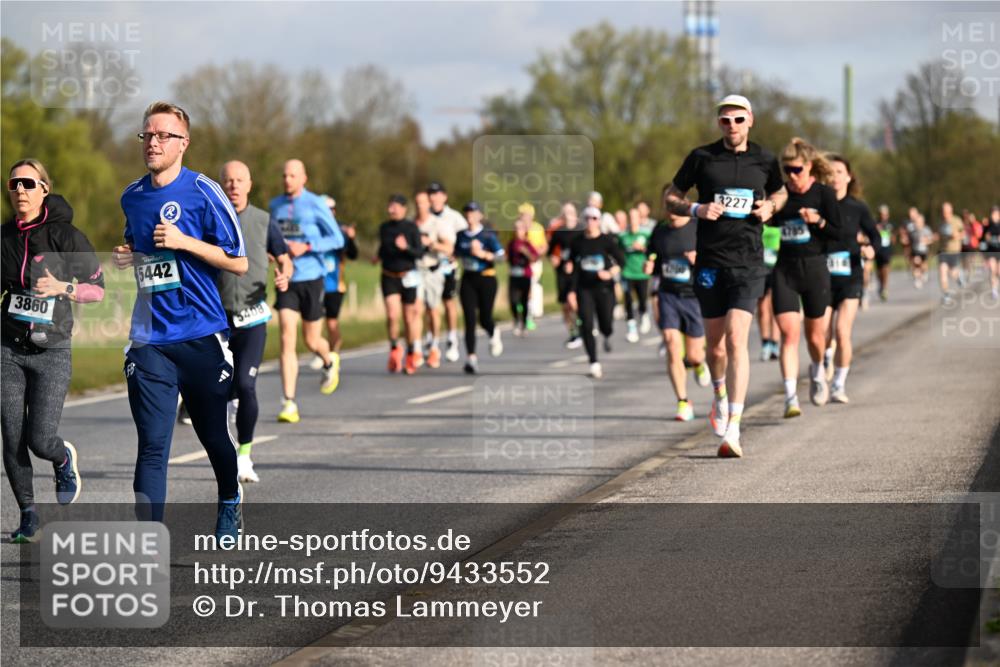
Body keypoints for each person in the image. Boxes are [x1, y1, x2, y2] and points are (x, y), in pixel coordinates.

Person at [112, 101, 247, 538]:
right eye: (147, 135)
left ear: (183, 143)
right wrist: (127, 255)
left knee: (213, 436)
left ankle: (229, 499)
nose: (152, 142)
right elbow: (140, 248)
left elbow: (239, 261)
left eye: (162, 135)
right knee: (152, 445)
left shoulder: (204, 191)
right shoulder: (131, 196)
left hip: (201, 334)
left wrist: (186, 241)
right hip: (149, 337)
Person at [663, 94, 787, 458]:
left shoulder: (764, 159)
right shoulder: (702, 158)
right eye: (724, 120)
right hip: (710, 263)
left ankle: (733, 427)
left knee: (736, 340)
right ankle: (719, 392)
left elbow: (779, 192)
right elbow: (671, 197)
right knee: (714, 347)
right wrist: (697, 208)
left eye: (737, 119)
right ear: (718, 123)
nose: (731, 126)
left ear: (750, 120)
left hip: (748, 262)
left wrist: (771, 206)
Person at [2, 159, 104, 542]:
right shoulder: (4, 238)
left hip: (53, 350)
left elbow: (98, 288)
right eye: (14, 184)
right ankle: (28, 514)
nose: (21, 190)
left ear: (44, 188)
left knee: (39, 439)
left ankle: (62, 458)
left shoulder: (66, 236)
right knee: (11, 438)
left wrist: (65, 288)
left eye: (29, 183)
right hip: (8, 349)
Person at [214, 160, 292, 483]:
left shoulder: (264, 220)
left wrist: (285, 276)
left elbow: (285, 259)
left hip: (252, 317)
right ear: (221, 185)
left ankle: (244, 458)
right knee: (215, 389)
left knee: (246, 385)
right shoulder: (209, 219)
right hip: (216, 319)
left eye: (239, 180)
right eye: (228, 180)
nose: (233, 185)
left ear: (249, 184)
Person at [767, 137, 842, 415]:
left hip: (814, 269)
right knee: (788, 334)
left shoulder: (824, 195)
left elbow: (837, 233)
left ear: (809, 167)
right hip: (785, 269)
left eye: (797, 169)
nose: (792, 176)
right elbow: (765, 218)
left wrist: (818, 221)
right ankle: (790, 397)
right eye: (787, 171)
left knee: (814, 337)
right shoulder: (781, 195)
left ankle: (818, 370)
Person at [269, 159, 344, 424]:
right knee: (287, 336)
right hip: (287, 279)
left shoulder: (315, 203)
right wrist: (271, 253)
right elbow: (271, 238)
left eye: (292, 175)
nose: (287, 180)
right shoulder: (274, 205)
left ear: (304, 178)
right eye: (284, 175)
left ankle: (328, 360)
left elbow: (337, 238)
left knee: (312, 341)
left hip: (312, 277)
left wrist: (308, 246)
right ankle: (288, 402)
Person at [644, 212, 710, 420]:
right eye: (667, 205)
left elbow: (716, 257)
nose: (670, 210)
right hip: (668, 294)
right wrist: (650, 266)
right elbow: (653, 257)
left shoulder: (698, 227)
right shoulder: (660, 231)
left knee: (694, 355)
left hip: (694, 296)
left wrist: (700, 259)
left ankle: (699, 364)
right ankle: (683, 402)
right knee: (672, 345)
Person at [823, 155, 878, 404]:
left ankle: (838, 384)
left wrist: (871, 249)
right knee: (821, 333)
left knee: (842, 331)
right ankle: (824, 359)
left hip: (850, 275)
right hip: (822, 276)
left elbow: (875, 236)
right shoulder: (818, 205)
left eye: (839, 172)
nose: (834, 177)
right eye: (830, 172)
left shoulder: (858, 207)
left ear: (848, 176)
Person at [566, 206, 625, 379]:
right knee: (586, 324)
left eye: (594, 218)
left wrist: (610, 273)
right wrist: (570, 291)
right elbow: (572, 266)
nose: (590, 222)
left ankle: (607, 334)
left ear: (599, 221)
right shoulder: (577, 242)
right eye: (587, 218)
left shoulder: (606, 241)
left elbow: (621, 261)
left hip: (604, 288)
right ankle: (593, 362)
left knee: (606, 323)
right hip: (584, 289)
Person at [309, 195, 358, 382]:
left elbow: (353, 254)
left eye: (331, 209)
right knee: (315, 320)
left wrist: (351, 239)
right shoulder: (312, 229)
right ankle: (321, 353)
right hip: (315, 282)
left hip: (335, 285)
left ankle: (333, 354)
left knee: (331, 323)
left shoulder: (340, 231)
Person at [376, 194, 424, 373]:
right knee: (392, 315)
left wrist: (406, 248)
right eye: (390, 206)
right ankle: (395, 348)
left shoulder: (411, 228)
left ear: (404, 208)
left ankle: (411, 353)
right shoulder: (384, 228)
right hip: (389, 275)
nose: (391, 210)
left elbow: (419, 253)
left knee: (409, 318)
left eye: (395, 206)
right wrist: (377, 256)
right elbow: (383, 247)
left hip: (408, 276)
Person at [454, 202, 504, 374]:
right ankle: (471, 358)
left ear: (480, 215)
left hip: (487, 279)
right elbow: (455, 253)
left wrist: (483, 254)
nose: (470, 216)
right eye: (467, 212)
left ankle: (493, 331)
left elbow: (501, 257)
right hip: (468, 279)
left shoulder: (488, 235)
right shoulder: (460, 235)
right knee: (469, 319)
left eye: (473, 212)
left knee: (484, 317)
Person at [427, 182, 467, 363]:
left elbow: (466, 238)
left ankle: (452, 338)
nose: (433, 197)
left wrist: (457, 254)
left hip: (448, 266)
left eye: (437, 194)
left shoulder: (454, 217)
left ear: (444, 196)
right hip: (430, 267)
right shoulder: (424, 216)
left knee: (449, 303)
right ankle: (433, 341)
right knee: (431, 307)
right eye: (431, 194)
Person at [414, 189, 454, 368]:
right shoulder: (412, 224)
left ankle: (435, 346)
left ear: (428, 204)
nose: (419, 206)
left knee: (433, 310)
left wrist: (432, 244)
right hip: (415, 271)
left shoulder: (437, 224)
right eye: (416, 202)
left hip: (433, 271)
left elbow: (449, 248)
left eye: (422, 202)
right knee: (416, 310)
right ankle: (416, 349)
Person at [548, 202, 584, 348]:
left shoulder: (582, 230)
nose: (568, 215)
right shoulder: (559, 231)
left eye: (571, 212)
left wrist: (574, 263)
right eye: (565, 212)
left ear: (575, 214)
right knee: (565, 305)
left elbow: (587, 250)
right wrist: (554, 258)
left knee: (574, 301)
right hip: (562, 271)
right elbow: (551, 250)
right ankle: (573, 333)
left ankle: (583, 328)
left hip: (577, 271)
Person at [618, 208, 652, 342]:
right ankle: (631, 327)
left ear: (639, 219)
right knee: (628, 299)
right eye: (630, 218)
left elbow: (653, 251)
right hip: (627, 272)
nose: (632, 221)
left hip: (642, 273)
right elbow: (618, 252)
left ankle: (644, 314)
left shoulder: (646, 234)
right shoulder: (623, 236)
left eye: (635, 218)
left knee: (642, 299)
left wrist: (643, 249)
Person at [507, 217, 542, 336]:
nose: (518, 231)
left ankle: (524, 323)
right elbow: (507, 257)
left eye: (520, 228)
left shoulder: (527, 243)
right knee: (513, 300)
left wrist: (526, 252)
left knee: (524, 300)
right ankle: (516, 320)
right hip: (514, 275)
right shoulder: (511, 243)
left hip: (525, 275)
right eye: (516, 228)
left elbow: (535, 258)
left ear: (524, 230)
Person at [520, 202, 549, 329]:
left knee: (530, 286)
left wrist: (537, 254)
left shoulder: (537, 228)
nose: (523, 217)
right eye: (522, 215)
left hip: (534, 263)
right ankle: (524, 312)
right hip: (521, 264)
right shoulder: (518, 228)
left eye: (526, 215)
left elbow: (544, 245)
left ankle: (529, 315)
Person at [757, 224, 781, 361]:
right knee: (762, 308)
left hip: (777, 268)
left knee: (774, 307)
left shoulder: (779, 221)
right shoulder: (759, 220)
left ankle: (775, 343)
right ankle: (765, 342)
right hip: (761, 269)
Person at [938, 201, 964, 305]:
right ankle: (946, 294)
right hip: (943, 251)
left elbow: (963, 233)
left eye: (946, 211)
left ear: (950, 211)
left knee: (952, 273)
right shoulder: (940, 222)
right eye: (943, 211)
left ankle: (958, 276)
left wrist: (956, 236)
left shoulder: (956, 220)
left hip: (954, 251)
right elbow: (938, 234)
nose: (945, 214)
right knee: (942, 271)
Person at [871, 204, 894, 301]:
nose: (883, 216)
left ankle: (884, 288)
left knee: (885, 268)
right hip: (878, 249)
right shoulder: (875, 224)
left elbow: (893, 237)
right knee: (879, 270)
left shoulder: (890, 225)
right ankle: (881, 285)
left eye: (885, 214)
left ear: (887, 215)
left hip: (887, 249)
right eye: (881, 214)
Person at [983, 205, 1000, 301]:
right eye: (993, 214)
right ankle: (994, 290)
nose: (994, 216)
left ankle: (996, 285)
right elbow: (984, 239)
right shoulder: (987, 225)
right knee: (993, 271)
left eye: (996, 214)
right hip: (991, 252)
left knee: (998, 271)